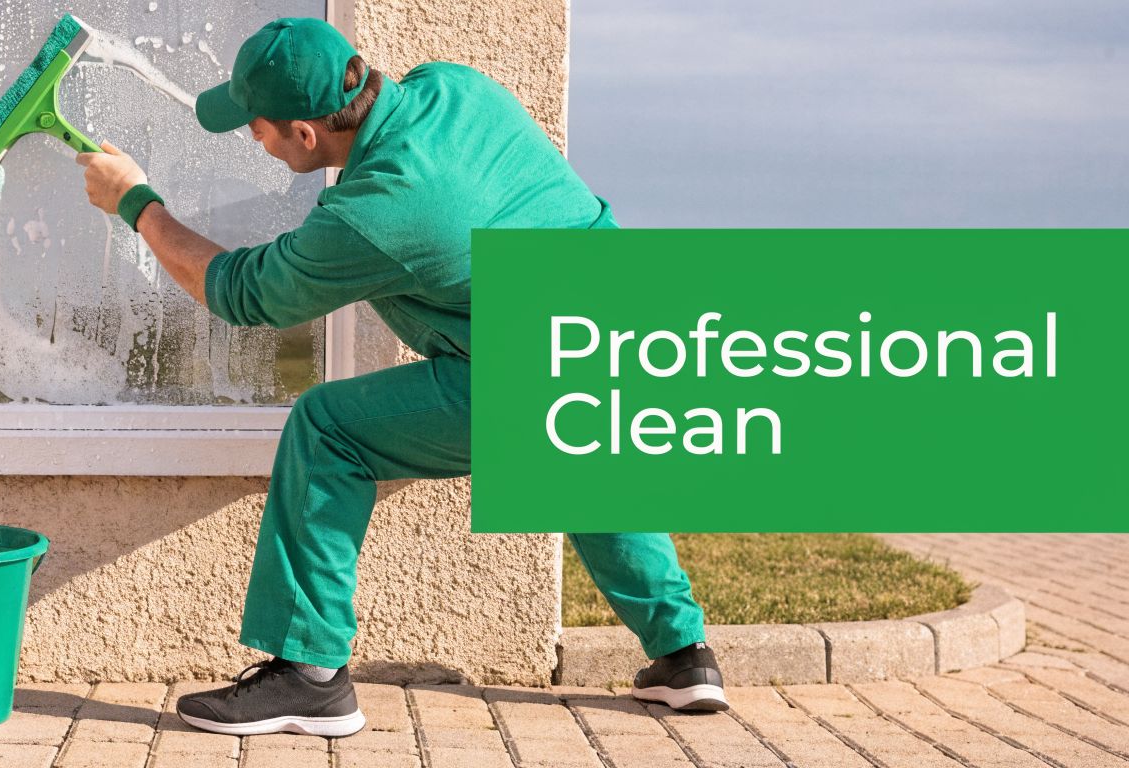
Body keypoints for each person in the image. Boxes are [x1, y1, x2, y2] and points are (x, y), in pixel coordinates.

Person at [77, 17, 728, 737]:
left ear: (304, 133)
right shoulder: (453, 86)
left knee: (328, 430)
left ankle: (310, 677)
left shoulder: (380, 209)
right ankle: (684, 656)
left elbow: (240, 292)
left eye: (257, 128)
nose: (252, 142)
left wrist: (136, 202)